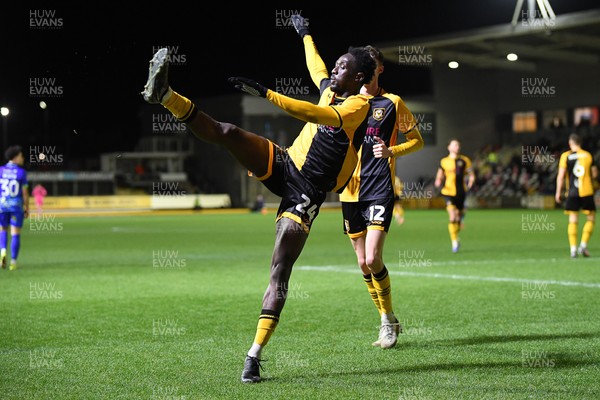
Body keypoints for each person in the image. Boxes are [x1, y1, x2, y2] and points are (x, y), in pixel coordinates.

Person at [141, 38, 376, 383]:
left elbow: (313, 113)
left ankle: (254, 355)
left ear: (358, 78)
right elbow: (317, 69)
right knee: (228, 132)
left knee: (280, 269)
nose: (336, 71)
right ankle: (165, 96)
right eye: (338, 65)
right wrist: (305, 35)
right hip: (285, 162)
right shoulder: (333, 88)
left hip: (306, 193)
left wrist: (267, 94)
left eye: (344, 67)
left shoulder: (357, 106)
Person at [319, 40, 424, 349]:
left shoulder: (392, 103)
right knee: (362, 264)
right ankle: (387, 318)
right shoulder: (345, 101)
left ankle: (386, 319)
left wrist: (392, 150)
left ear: (377, 69)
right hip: (349, 190)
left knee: (373, 257)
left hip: (378, 188)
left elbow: (417, 139)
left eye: (369, 64)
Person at [555, 133, 598, 258]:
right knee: (591, 218)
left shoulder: (566, 156)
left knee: (573, 220)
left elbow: (561, 176)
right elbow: (594, 174)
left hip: (572, 192)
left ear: (570, 143)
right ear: (580, 143)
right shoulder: (588, 155)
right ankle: (583, 245)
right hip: (587, 191)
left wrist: (558, 192)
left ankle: (573, 249)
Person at [434, 139, 475, 253]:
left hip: (461, 192)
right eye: (455, 145)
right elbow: (440, 175)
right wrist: (438, 180)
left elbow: (471, 174)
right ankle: (454, 242)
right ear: (449, 147)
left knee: (458, 217)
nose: (457, 147)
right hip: (448, 192)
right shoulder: (444, 161)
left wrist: (471, 180)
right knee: (452, 216)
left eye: (458, 145)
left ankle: (456, 235)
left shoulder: (465, 160)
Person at [0, 145, 29, 271]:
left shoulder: (0, 170)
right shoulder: (21, 172)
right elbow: (25, 192)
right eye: (21, 156)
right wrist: (27, 207)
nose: (22, 158)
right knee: (15, 233)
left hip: (2, 205)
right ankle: (13, 262)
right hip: (16, 206)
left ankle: (3, 251)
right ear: (16, 157)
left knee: (2, 229)